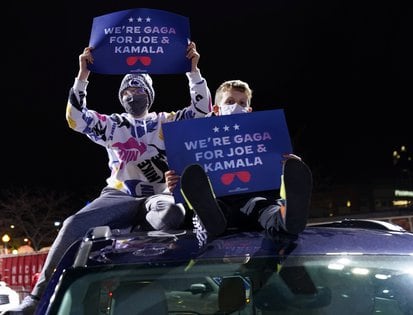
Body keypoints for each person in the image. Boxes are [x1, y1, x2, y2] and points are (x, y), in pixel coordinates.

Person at [7, 41, 212, 315]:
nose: (132, 94)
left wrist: (192, 71)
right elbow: (76, 118)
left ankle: (170, 281)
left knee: (172, 215)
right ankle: (37, 297)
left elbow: (201, 112)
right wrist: (83, 75)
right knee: (72, 225)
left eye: (138, 88)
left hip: (158, 195)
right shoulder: (113, 125)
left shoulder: (168, 121)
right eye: (127, 89)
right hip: (118, 195)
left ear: (149, 93)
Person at [165, 79, 312, 241]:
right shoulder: (194, 144)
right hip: (218, 203)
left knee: (267, 208)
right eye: (230, 101)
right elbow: (191, 180)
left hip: (254, 201)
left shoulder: (266, 139)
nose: (237, 106)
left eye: (242, 103)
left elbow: (277, 173)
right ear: (216, 109)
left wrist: (290, 167)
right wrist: (176, 181)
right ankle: (209, 222)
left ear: (249, 110)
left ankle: (287, 218)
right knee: (212, 210)